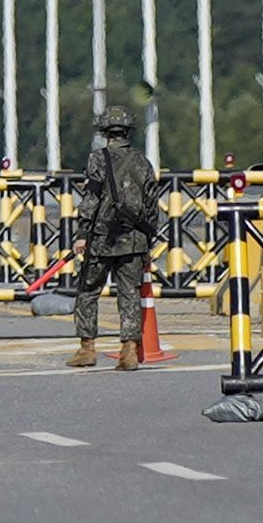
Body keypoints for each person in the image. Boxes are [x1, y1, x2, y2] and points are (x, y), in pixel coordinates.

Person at [70, 106, 158, 369]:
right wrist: (147, 238)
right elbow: (153, 205)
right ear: (129, 130)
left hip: (102, 238)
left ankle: (87, 349)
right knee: (129, 293)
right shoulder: (143, 161)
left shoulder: (97, 159)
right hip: (135, 238)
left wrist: (82, 233)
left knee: (87, 290)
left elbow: (91, 198)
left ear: (105, 131)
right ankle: (129, 351)